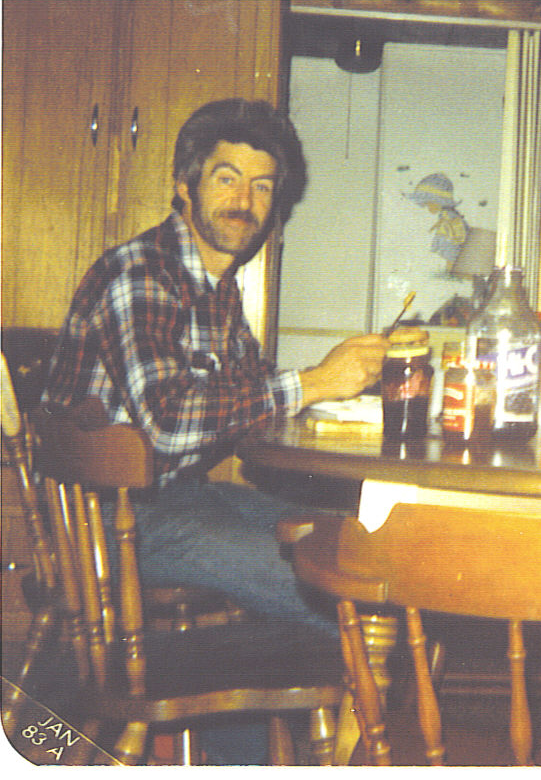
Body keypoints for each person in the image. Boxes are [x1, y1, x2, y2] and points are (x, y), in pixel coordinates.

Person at [43, 98, 389, 636]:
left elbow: (256, 399)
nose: (244, 200)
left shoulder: (218, 292)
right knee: (351, 587)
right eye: (227, 179)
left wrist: (336, 393)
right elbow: (168, 422)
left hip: (180, 498)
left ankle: (253, 713)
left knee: (361, 540)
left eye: (262, 186)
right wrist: (315, 381)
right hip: (112, 521)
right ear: (185, 185)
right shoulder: (141, 274)